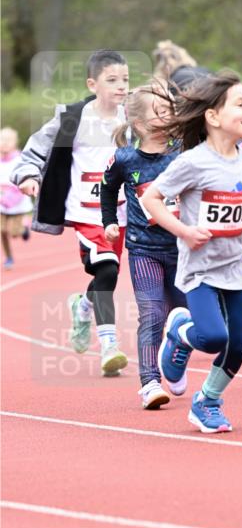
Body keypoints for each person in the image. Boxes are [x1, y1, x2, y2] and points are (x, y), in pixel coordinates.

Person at [141, 71, 242, 433]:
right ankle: (181, 333)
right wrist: (184, 231)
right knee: (212, 338)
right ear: (212, 117)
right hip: (200, 270)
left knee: (238, 345)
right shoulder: (193, 162)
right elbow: (151, 198)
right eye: (238, 105)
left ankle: (207, 401)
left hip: (235, 267)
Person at [13, 50, 130, 375]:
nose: (121, 86)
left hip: (120, 213)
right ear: (92, 84)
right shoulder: (72, 118)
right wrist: (27, 176)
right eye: (112, 80)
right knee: (106, 270)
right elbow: (37, 147)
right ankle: (109, 345)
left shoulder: (133, 116)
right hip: (86, 212)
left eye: (125, 79)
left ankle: (83, 306)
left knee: (109, 272)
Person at [100, 83, 187, 410]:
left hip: (183, 250)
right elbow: (107, 190)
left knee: (183, 315)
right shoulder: (124, 158)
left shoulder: (184, 152)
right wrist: (109, 221)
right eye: (159, 112)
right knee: (152, 313)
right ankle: (150, 382)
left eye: (169, 111)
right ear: (139, 124)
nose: (167, 117)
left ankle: (175, 358)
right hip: (144, 249)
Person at [1, 127, 33, 268]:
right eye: (2, 140)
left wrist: (10, 198)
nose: (5, 144)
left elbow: (21, 181)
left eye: (8, 141)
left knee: (13, 232)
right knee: (1, 230)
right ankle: (8, 257)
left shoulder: (19, 159)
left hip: (17, 203)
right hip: (1, 202)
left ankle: (23, 229)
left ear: (15, 142)